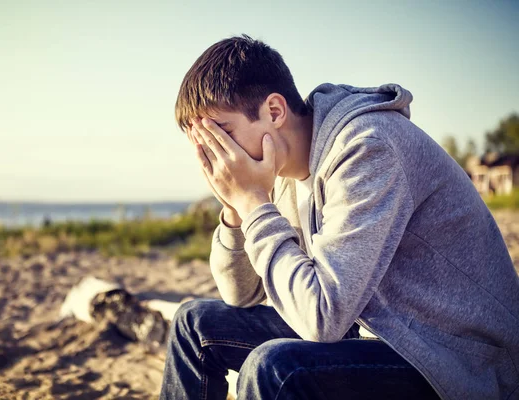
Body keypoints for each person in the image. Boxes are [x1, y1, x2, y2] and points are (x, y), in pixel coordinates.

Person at [159, 34, 519, 400]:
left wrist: (253, 204)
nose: (218, 156)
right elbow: (241, 293)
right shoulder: (278, 170)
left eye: (222, 134)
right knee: (195, 325)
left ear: (274, 111)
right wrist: (237, 207)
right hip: (370, 329)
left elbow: (321, 317)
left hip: (455, 359)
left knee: (274, 368)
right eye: (205, 145)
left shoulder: (366, 146)